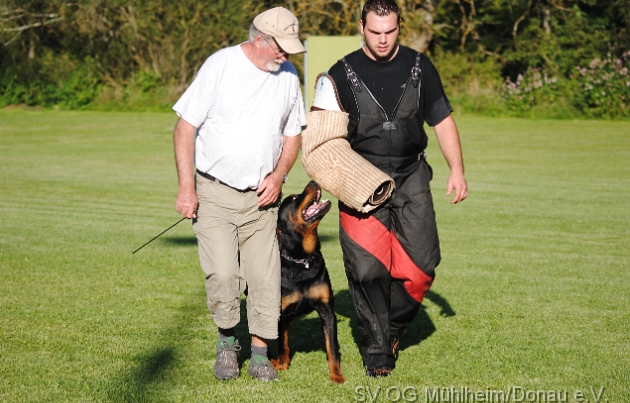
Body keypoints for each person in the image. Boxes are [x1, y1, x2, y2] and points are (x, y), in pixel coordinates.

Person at [326, 0, 468, 377]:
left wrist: (457, 169)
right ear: (361, 27)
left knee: (421, 268)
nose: (383, 39)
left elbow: (442, 119)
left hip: (411, 177)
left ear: (399, 27)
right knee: (368, 269)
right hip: (362, 181)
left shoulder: (420, 67)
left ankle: (390, 328)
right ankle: (378, 348)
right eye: (375, 31)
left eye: (390, 31)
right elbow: (323, 138)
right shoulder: (341, 73)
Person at [172, 7, 306, 382]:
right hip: (214, 195)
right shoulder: (221, 66)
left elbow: (292, 135)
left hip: (262, 201)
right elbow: (184, 129)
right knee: (224, 273)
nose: (287, 55)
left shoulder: (288, 77)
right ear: (260, 40)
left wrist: (280, 175)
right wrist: (186, 189)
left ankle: (261, 356)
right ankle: (227, 345)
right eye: (282, 47)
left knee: (265, 278)